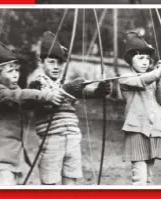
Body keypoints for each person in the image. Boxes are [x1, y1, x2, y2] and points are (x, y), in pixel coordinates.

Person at [28, 31, 111, 185]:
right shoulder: (36, 82)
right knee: (49, 181)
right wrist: (65, 89)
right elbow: (40, 97)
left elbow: (84, 91)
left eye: (60, 63)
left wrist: (99, 90)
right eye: (51, 62)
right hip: (52, 138)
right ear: (41, 62)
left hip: (73, 137)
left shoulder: (65, 81)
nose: (56, 67)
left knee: (71, 178)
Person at [0, 41, 65, 185]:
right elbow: (17, 96)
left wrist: (48, 97)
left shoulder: (10, 88)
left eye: (17, 70)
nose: (15, 75)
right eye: (10, 71)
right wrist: (46, 96)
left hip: (12, 160)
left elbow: (26, 100)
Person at [118, 31, 161, 185]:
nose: (145, 62)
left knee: (149, 177)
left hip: (154, 130)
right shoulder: (125, 78)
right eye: (140, 58)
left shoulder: (153, 77)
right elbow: (141, 81)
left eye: (147, 58)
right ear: (130, 61)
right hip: (137, 130)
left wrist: (160, 78)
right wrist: (157, 73)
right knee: (139, 177)